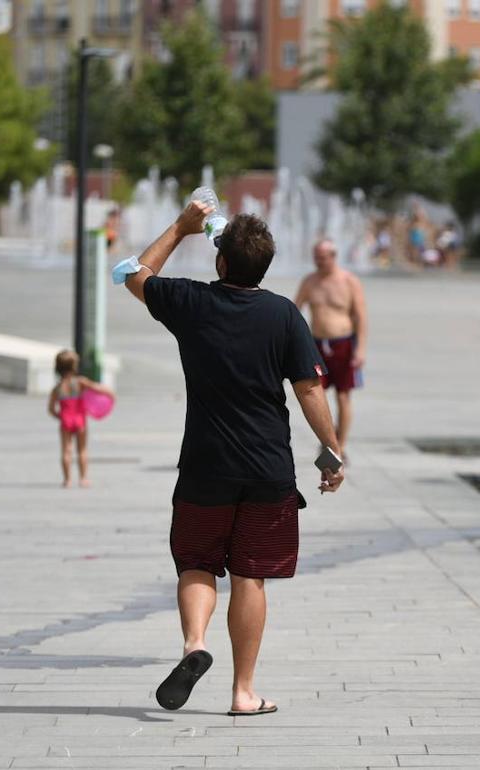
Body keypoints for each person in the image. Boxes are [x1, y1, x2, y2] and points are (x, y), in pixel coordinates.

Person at [118, 201, 344, 718]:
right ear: (264, 267)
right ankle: (244, 692)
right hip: (268, 470)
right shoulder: (284, 313)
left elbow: (136, 274)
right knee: (251, 576)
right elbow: (309, 390)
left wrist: (181, 226)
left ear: (220, 262)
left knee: (197, 562)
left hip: (204, 465)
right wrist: (331, 454)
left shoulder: (190, 301)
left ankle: (195, 645)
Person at [295, 239, 368, 460]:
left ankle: (341, 446)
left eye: (323, 258)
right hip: (317, 345)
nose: (319, 262)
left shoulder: (349, 281)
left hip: (343, 343)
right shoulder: (310, 281)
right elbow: (295, 311)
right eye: (316, 257)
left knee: (343, 396)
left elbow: (361, 317)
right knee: (316, 395)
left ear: (333, 257)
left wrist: (361, 349)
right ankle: (328, 441)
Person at [47, 350, 115, 488]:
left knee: (66, 450)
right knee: (82, 450)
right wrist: (110, 394)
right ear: (74, 366)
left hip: (66, 420)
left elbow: (51, 409)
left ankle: (67, 480)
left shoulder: (57, 388)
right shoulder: (80, 382)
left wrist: (60, 417)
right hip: (79, 420)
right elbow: (97, 388)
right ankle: (83, 479)